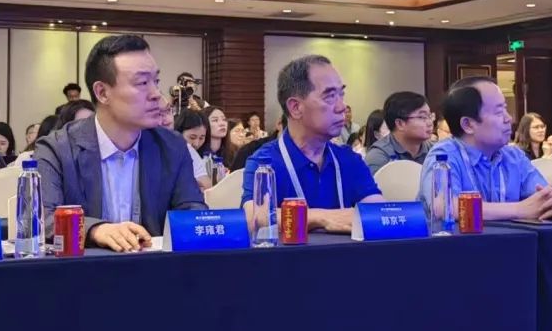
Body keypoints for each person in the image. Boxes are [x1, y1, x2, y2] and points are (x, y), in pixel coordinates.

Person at [35, 34, 205, 252]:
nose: (156, 94)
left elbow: (192, 209)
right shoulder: (57, 149)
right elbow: (43, 218)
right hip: (83, 270)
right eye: (142, 83)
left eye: (156, 81)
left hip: (154, 268)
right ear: (102, 93)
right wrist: (95, 229)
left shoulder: (171, 146)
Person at [242, 55, 384, 233]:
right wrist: (322, 218)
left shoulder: (349, 159)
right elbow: (255, 217)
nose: (342, 107)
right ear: (295, 107)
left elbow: (379, 213)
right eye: (330, 96)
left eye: (341, 95)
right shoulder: (265, 162)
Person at [419, 77, 552, 222]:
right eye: (498, 112)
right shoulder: (443, 156)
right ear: (468, 124)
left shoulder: (514, 156)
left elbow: (546, 199)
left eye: (505, 109)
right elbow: (444, 207)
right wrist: (519, 209)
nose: (508, 118)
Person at [364, 91, 433, 174]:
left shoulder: (434, 150)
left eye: (430, 116)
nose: (430, 123)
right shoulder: (378, 157)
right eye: (422, 117)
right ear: (400, 124)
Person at [173, 109, 212, 191]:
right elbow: (207, 186)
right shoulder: (185, 148)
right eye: (192, 137)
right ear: (179, 133)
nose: (196, 143)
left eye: (201, 138)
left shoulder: (206, 155)